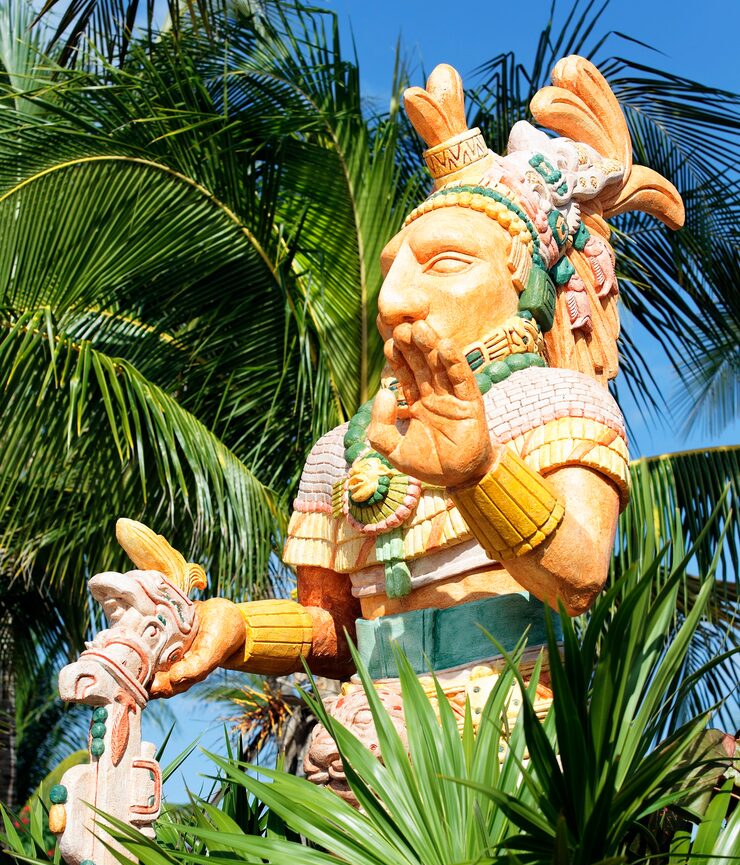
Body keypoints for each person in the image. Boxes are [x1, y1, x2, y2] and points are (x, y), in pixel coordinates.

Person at [150, 57, 684, 800]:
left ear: (521, 281)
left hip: (510, 743)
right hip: (357, 754)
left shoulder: (559, 403)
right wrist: (237, 630)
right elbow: (334, 635)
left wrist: (479, 471)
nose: (394, 298)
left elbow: (579, 578)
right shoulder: (340, 452)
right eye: (395, 267)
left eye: (445, 263)